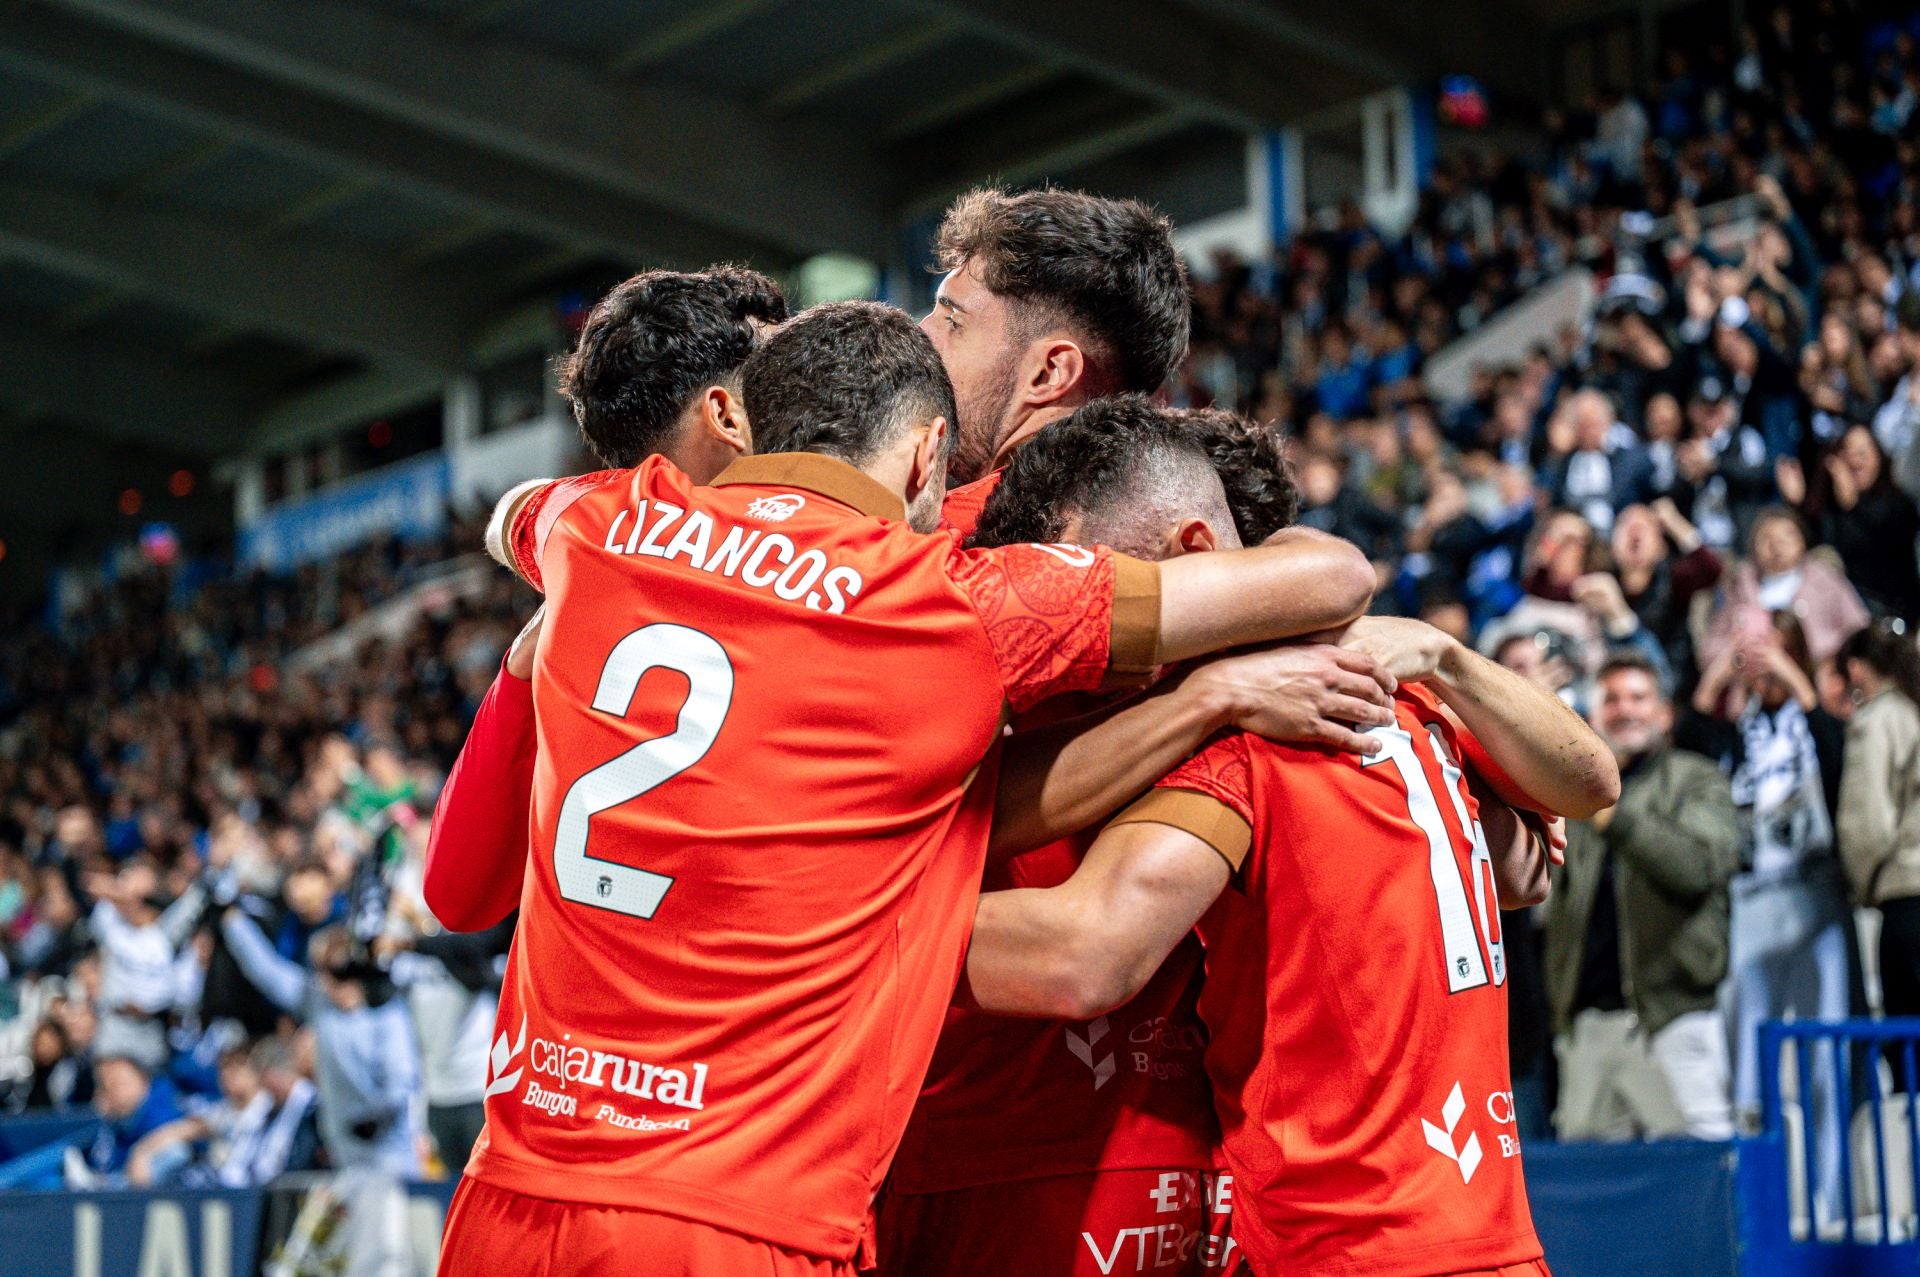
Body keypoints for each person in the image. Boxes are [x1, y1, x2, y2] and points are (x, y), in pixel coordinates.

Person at [437, 301, 1378, 1277]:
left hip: (510, 1195)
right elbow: (1331, 581)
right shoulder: (947, 600)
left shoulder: (602, 525)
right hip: (733, 1218)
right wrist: (1216, 694)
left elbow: (516, 515)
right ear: (929, 456)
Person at [1544, 652, 1740, 1141]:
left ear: (1665, 713)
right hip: (1588, 1024)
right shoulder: (1577, 794)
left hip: (1671, 1016)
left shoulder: (1696, 779)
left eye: (1638, 697)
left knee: (1701, 1164)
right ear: (1593, 715)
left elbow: (1697, 868)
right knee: (1588, 1177)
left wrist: (1617, 817)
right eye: (1611, 700)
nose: (1625, 710)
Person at [1690, 609, 1849, 1137]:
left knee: (1826, 1044)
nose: (1765, 665)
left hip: (1816, 889)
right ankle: (1758, 1172)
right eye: (1755, 655)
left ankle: (1829, 1180)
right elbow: (1691, 748)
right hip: (1753, 894)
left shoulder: (1816, 717)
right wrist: (1720, 674)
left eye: (1774, 650)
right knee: (1749, 1046)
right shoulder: (1742, 729)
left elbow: (1838, 758)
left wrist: (1795, 677)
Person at [219, 913, 422, 1175]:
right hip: (342, 1149)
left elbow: (401, 1079)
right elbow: (267, 971)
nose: (326, 982)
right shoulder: (320, 1005)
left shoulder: (385, 1012)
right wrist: (233, 921)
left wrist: (377, 1117)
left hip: (388, 1149)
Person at [1837, 622, 1920, 1015]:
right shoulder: (1913, 712)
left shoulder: (1876, 720)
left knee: (1905, 1035)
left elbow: (1868, 822)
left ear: (1855, 669)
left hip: (1908, 895)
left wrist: (1864, 885)